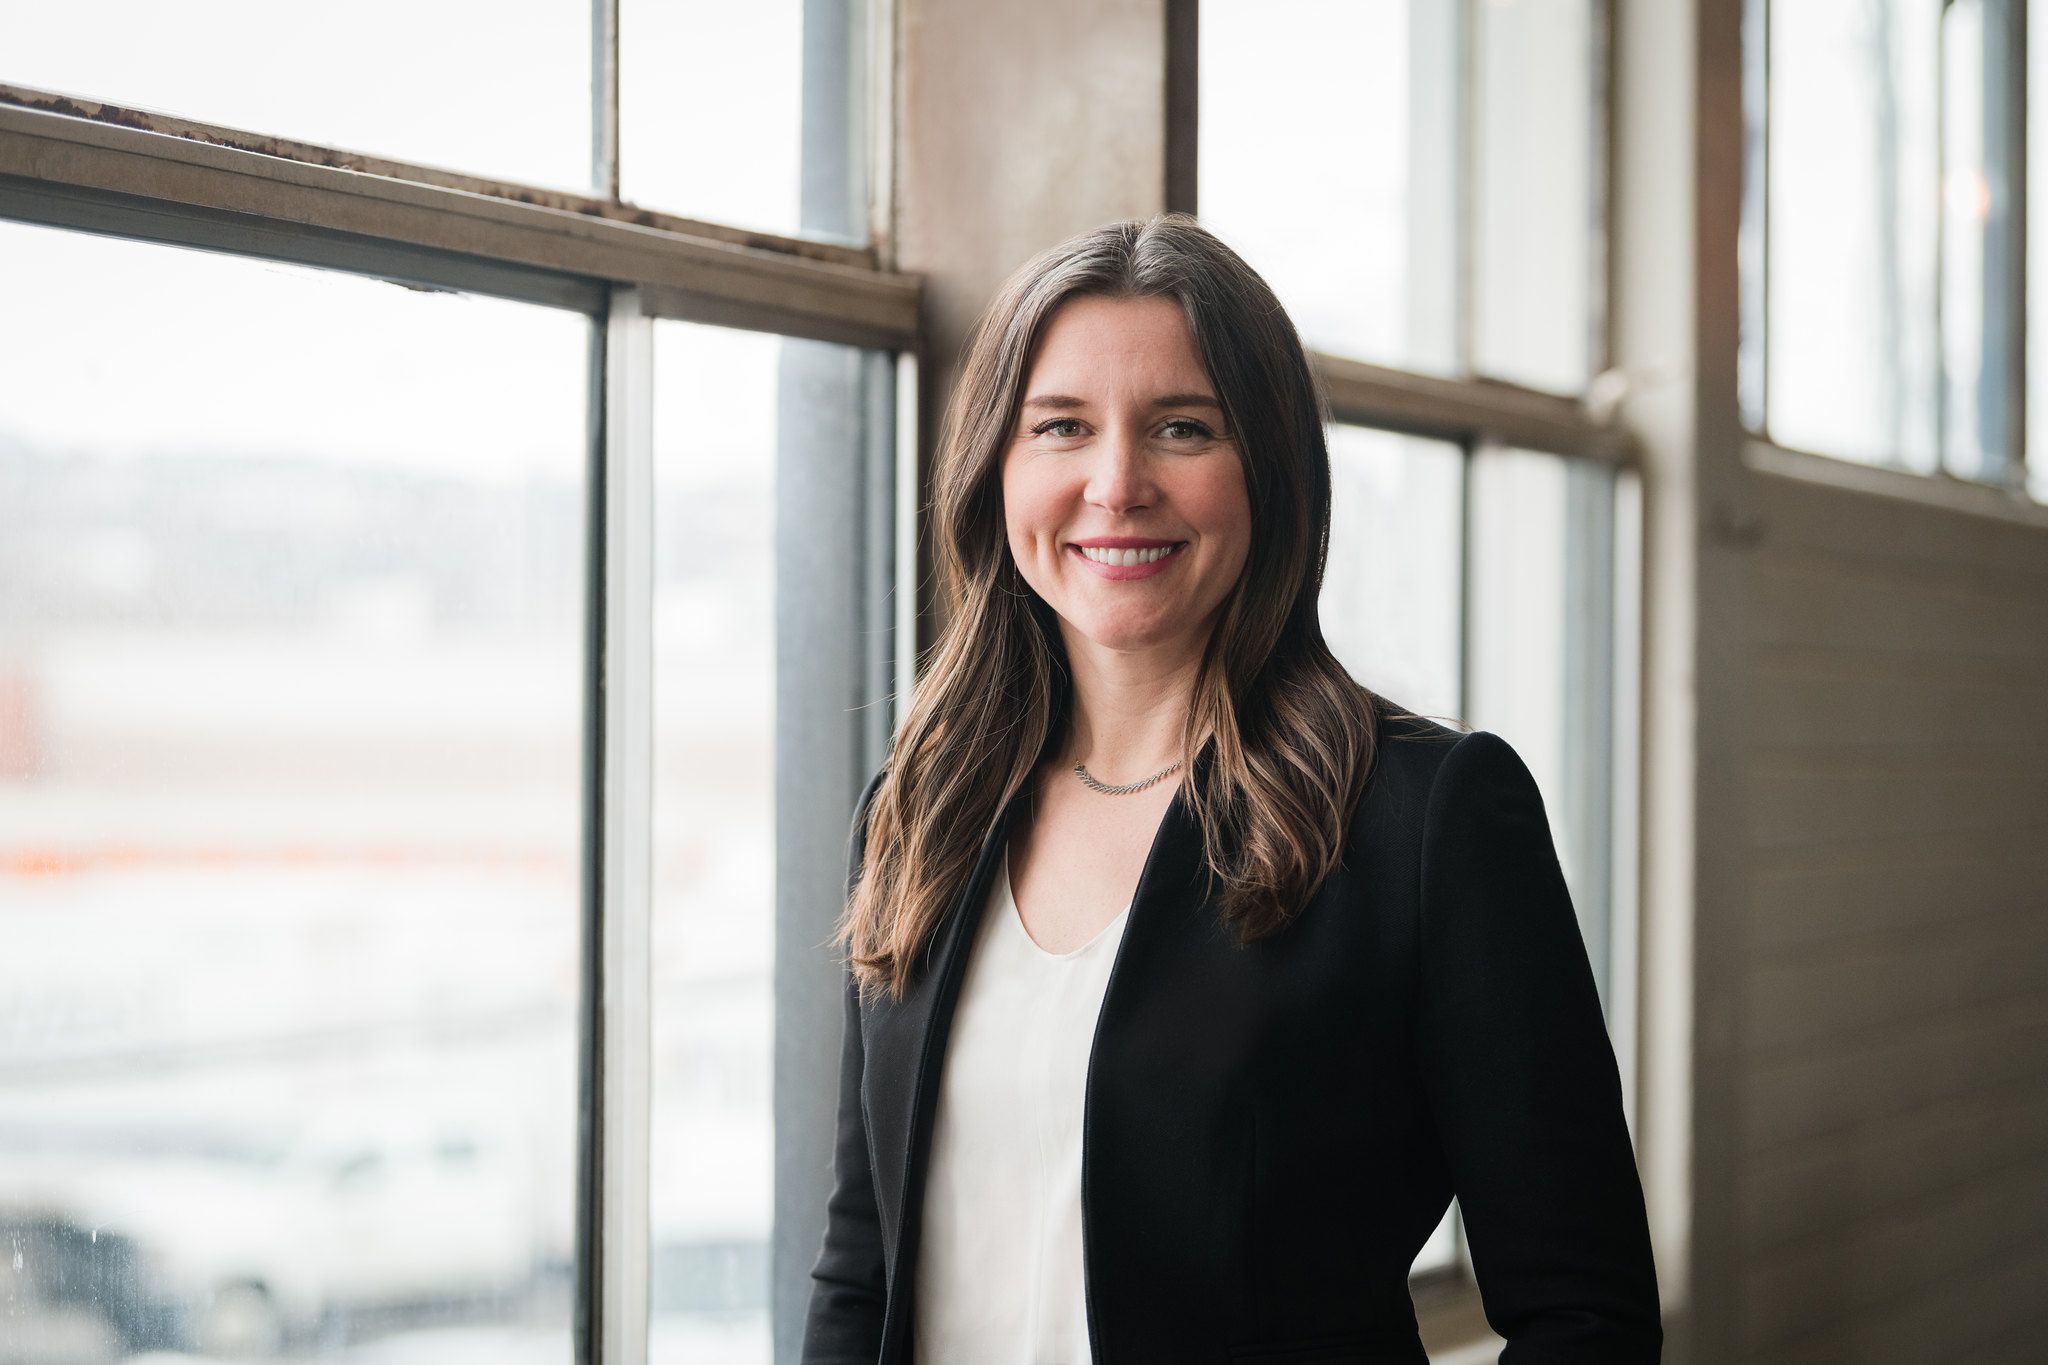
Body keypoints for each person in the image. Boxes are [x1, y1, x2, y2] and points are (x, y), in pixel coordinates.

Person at [800, 215, 1660, 1365]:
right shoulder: (920, 811)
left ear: (1269, 467)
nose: (1116, 484)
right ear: (994, 470)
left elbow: (1586, 1315)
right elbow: (859, 1270)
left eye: (1181, 428)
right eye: (1060, 426)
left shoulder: (1423, 818)